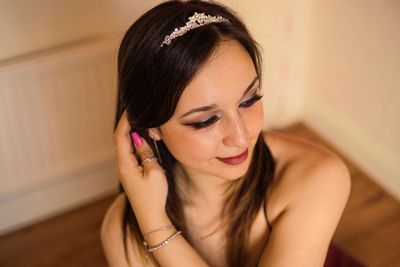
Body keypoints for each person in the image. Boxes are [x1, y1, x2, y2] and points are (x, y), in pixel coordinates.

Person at [100, 1, 351, 266]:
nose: (241, 138)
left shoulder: (319, 175)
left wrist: (156, 228)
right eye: (206, 120)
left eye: (249, 100)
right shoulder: (122, 231)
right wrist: (149, 221)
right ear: (152, 126)